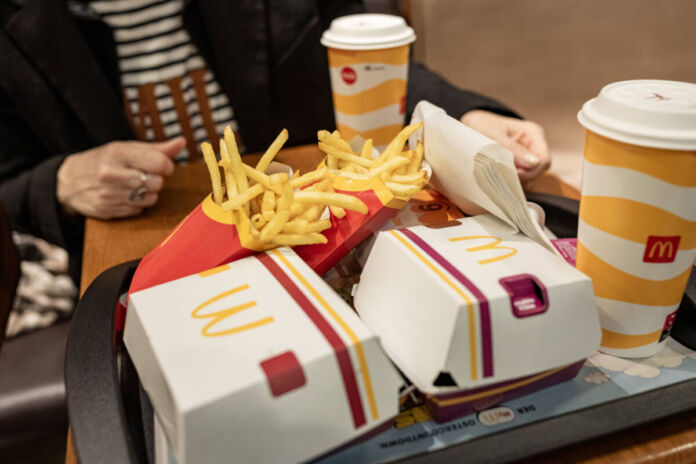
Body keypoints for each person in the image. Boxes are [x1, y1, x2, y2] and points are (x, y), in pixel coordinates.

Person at [0, 0, 549, 281]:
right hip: (139, 255)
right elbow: (11, 181)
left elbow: (364, 55)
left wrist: (468, 115)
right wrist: (59, 183)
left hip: (323, 236)